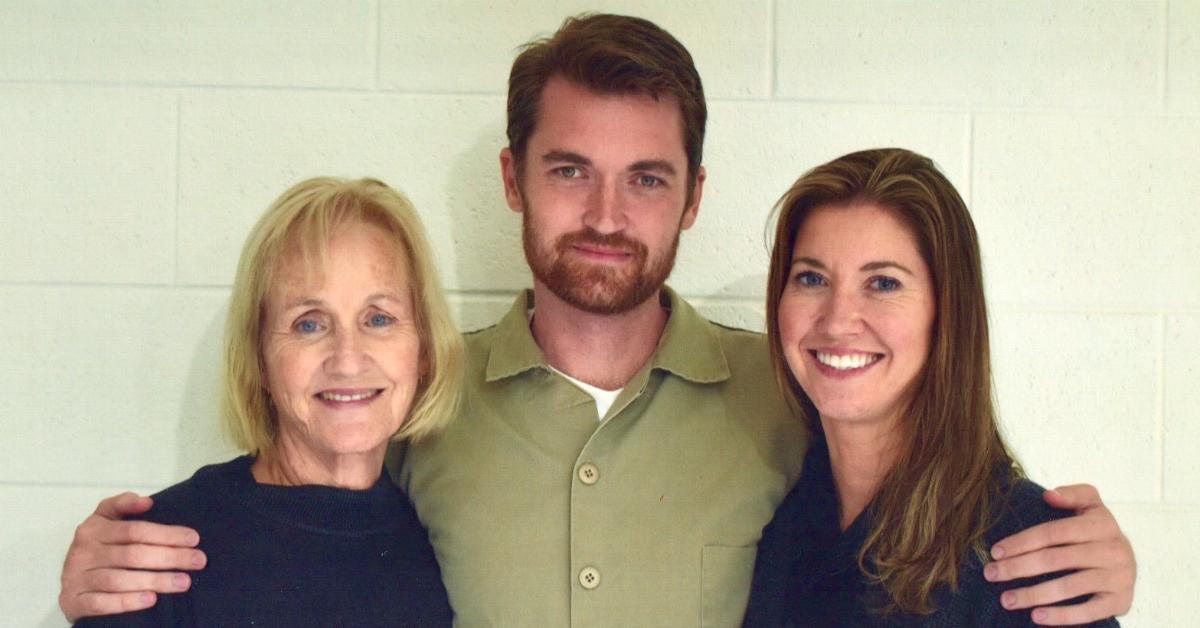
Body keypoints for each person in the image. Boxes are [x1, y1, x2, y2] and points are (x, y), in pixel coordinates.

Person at [59, 14, 1134, 627]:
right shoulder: (413, 400)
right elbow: (296, 525)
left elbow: (930, 487)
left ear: (695, 198)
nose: (608, 215)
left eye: (648, 179)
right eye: (571, 170)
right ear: (513, 180)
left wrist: (1073, 540)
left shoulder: (799, 390)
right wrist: (120, 567)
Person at [744, 148, 1123, 626]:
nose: (838, 321)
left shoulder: (1030, 555)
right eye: (812, 278)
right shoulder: (777, 517)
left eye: (883, 283)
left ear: (947, 313)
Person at [73, 177, 458, 626]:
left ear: (424, 350)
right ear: (259, 359)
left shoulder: (439, 544)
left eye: (378, 318)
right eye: (309, 324)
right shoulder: (158, 553)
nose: (348, 360)